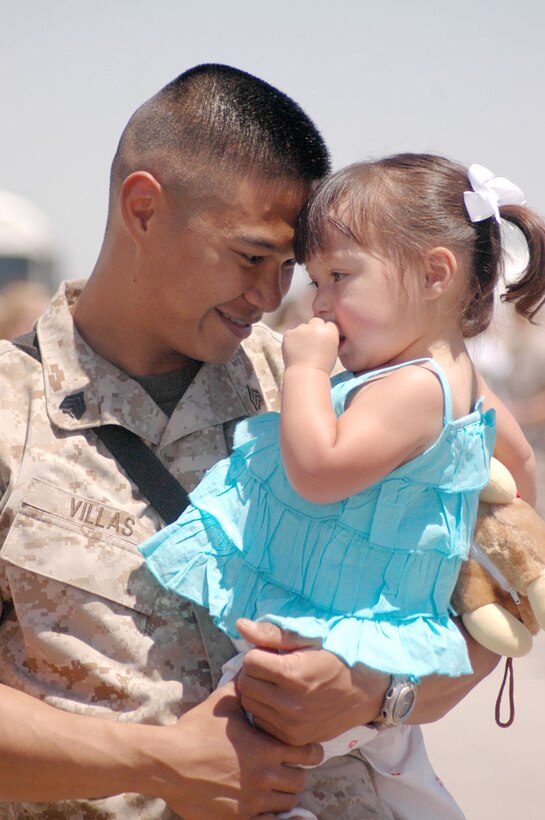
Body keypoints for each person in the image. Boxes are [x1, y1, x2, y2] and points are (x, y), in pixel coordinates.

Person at [0, 64, 502, 820]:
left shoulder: (339, 383)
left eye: (290, 268)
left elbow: (495, 612)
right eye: (249, 258)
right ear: (143, 208)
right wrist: (161, 764)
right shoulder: (14, 412)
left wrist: (376, 693)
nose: (273, 297)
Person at [140, 155, 545, 818]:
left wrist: (303, 373)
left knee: (240, 728)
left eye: (338, 277)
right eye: (315, 279)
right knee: (396, 773)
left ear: (434, 273)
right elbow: (519, 464)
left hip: (333, 628)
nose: (318, 301)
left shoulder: (413, 389)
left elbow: (319, 471)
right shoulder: (456, 374)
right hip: (376, 627)